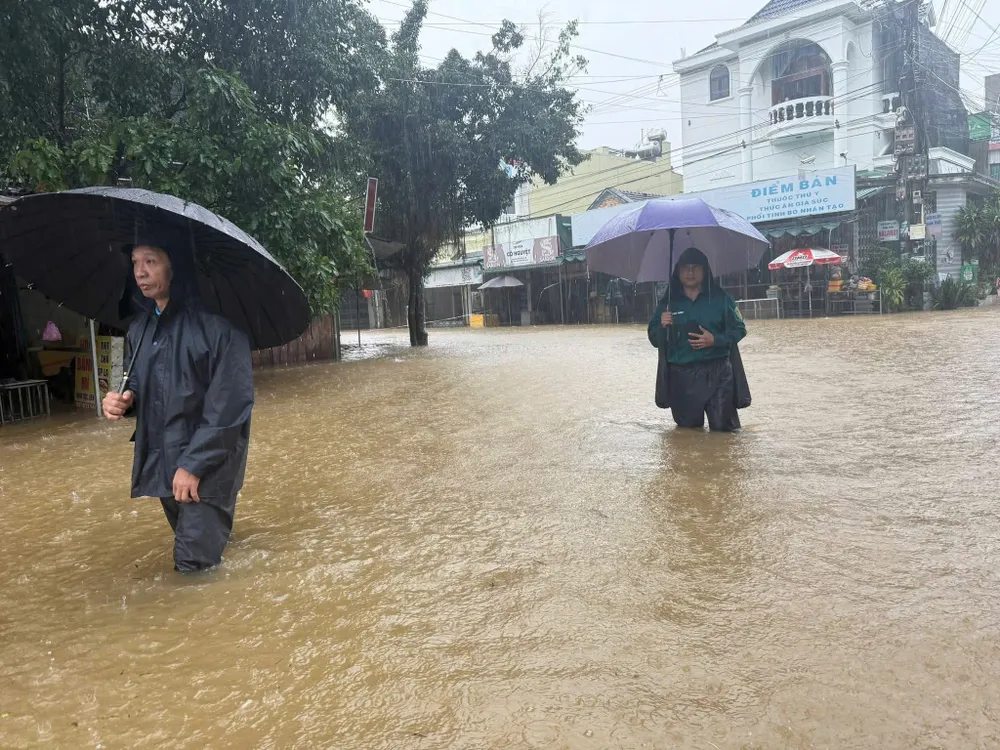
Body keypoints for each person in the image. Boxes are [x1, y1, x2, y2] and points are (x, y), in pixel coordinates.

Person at [102, 233, 254, 572]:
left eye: (151, 262)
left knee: (192, 566)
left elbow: (231, 405)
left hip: (208, 467)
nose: (140, 272)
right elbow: (143, 383)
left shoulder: (220, 329)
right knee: (196, 551)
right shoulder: (140, 329)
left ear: (176, 268)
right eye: (135, 263)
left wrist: (194, 465)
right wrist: (125, 399)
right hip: (165, 461)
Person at [647, 247, 747, 432]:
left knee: (723, 433)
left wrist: (715, 340)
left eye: (695, 267)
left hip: (718, 373)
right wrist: (662, 325)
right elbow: (654, 339)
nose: (690, 272)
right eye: (685, 268)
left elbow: (740, 330)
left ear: (705, 270)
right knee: (688, 434)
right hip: (681, 377)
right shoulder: (667, 304)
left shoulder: (722, 299)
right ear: (677, 272)